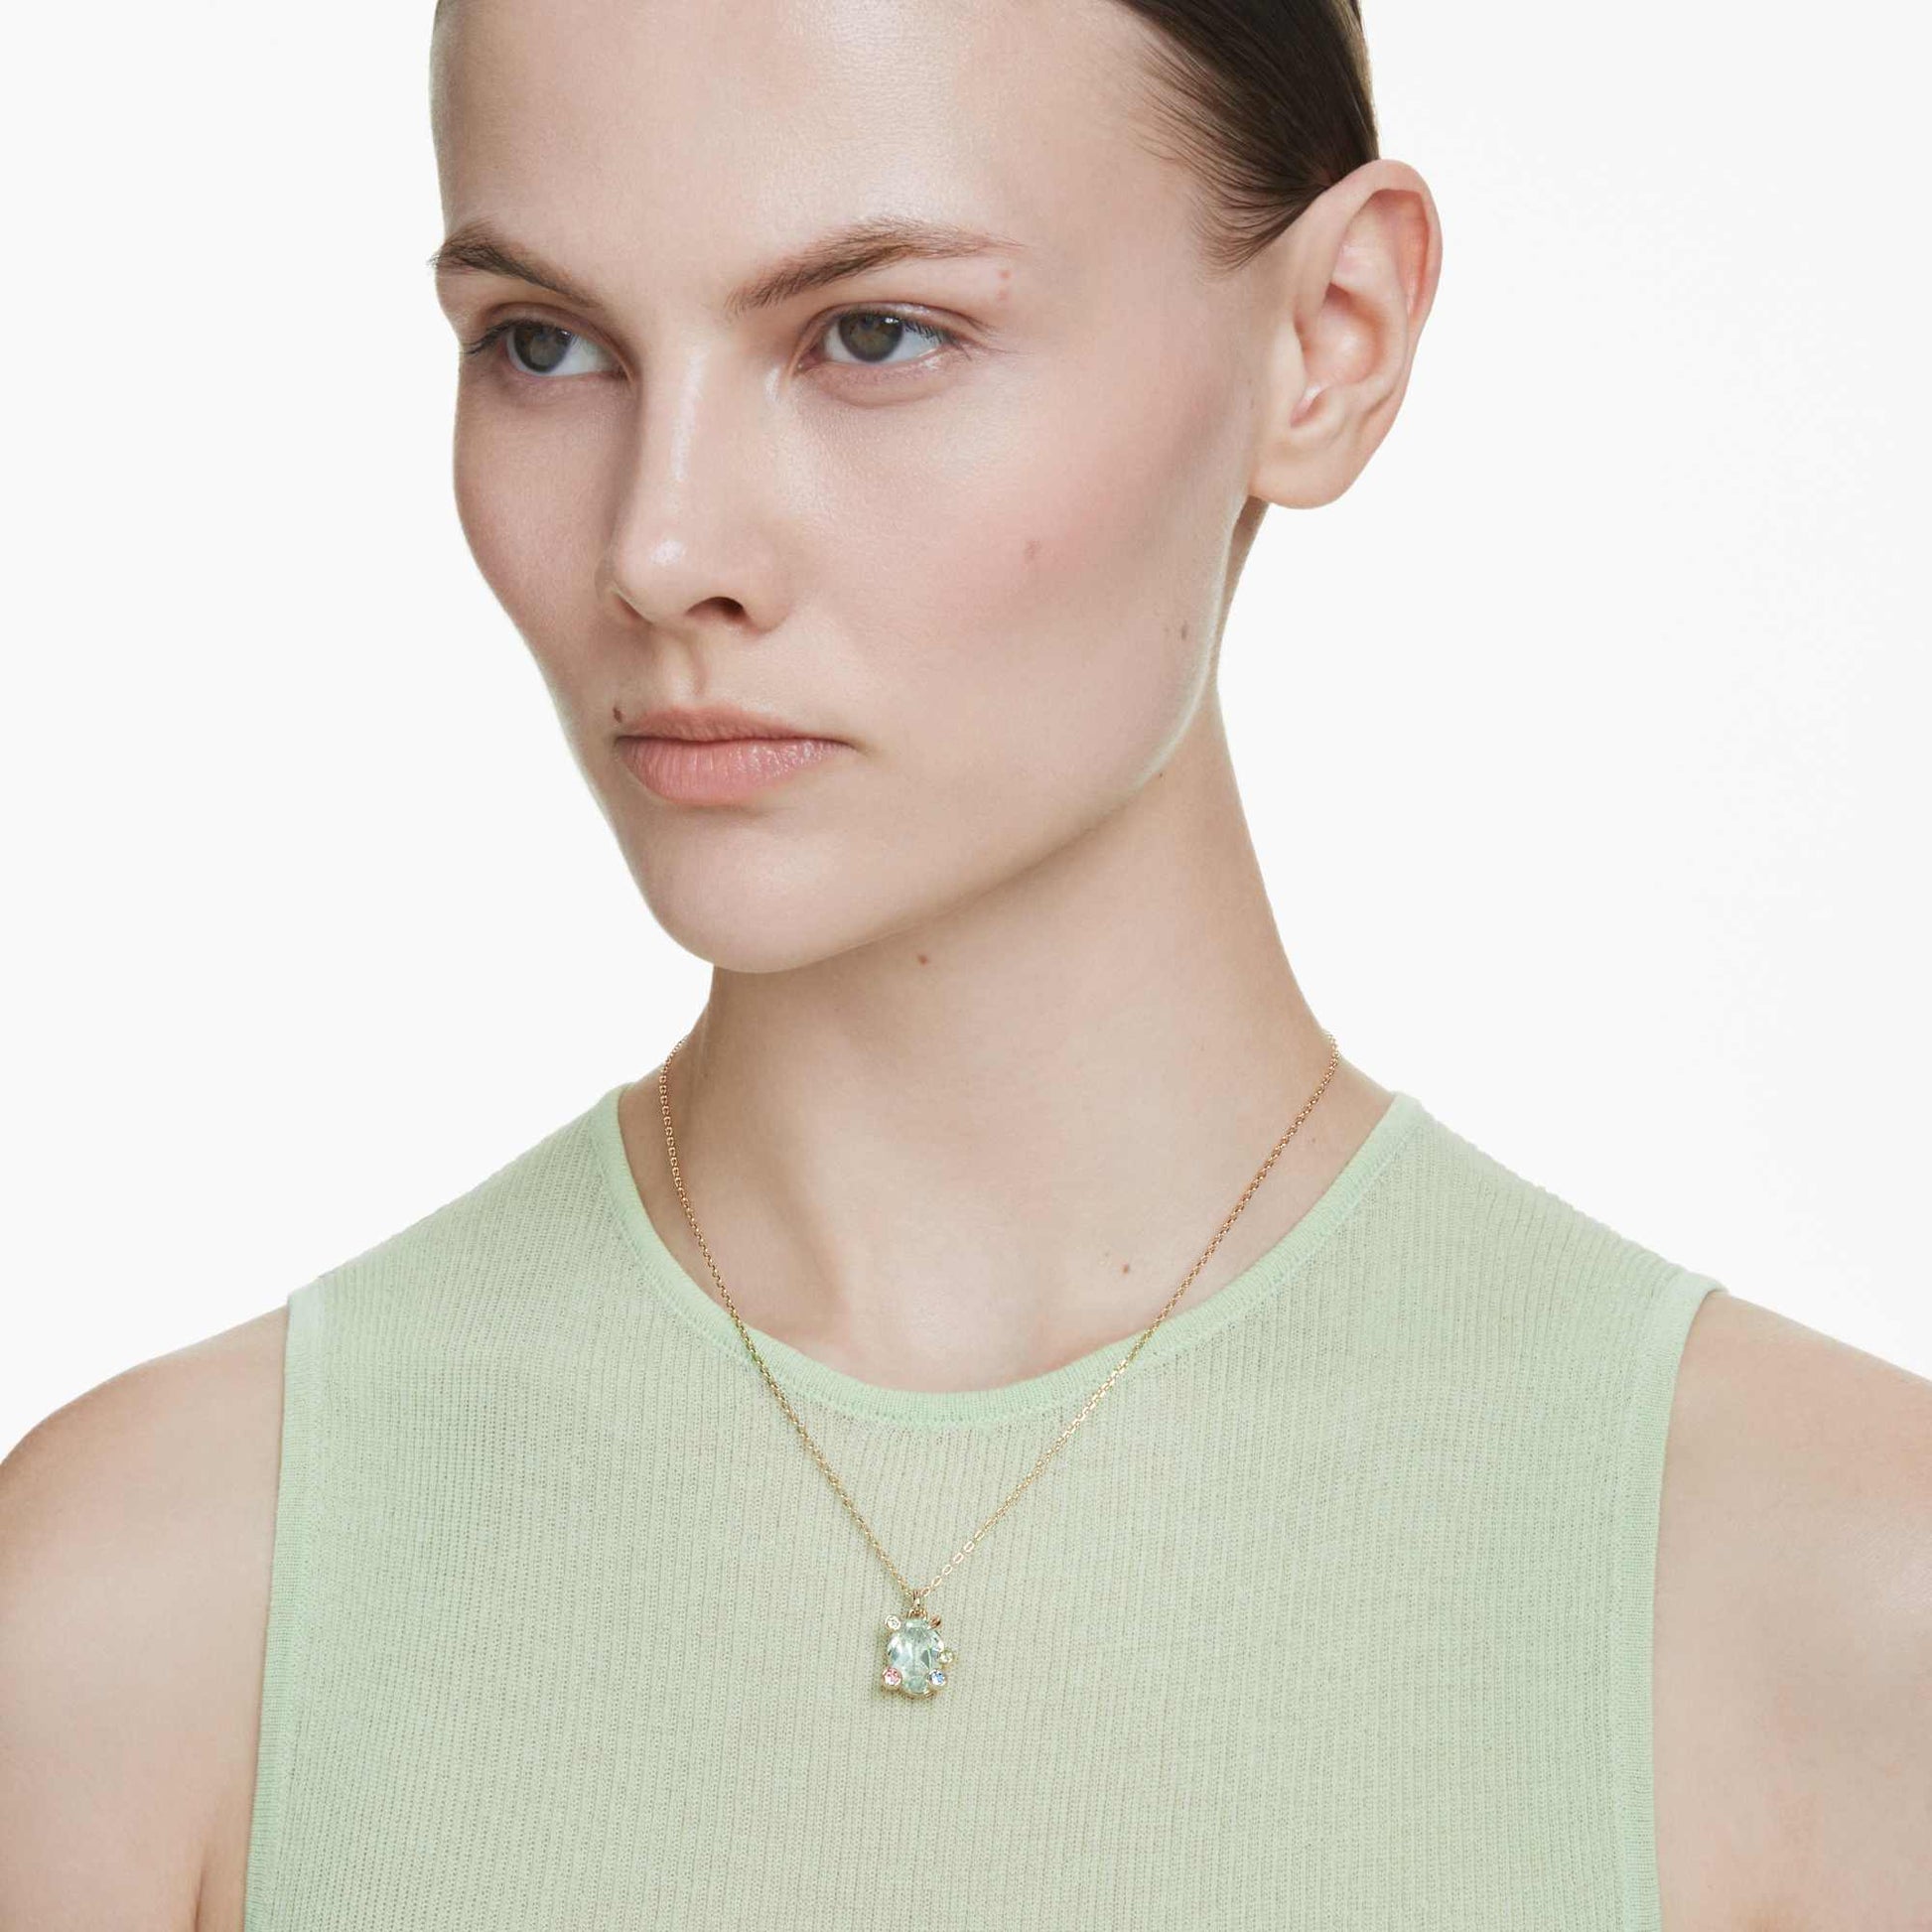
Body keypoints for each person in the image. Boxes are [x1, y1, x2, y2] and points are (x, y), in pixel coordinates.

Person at [3, 0, 1928, 1924]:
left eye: (872, 335)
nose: (658, 547)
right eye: (544, 342)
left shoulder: (1836, 1619)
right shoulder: (145, 1614)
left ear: (1330, 336)